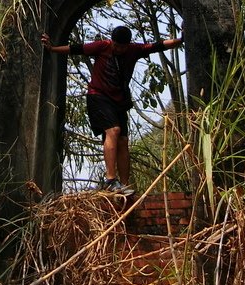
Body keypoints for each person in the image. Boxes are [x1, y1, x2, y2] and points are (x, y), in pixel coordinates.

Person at [41, 25, 183, 196]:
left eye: (121, 46)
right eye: (116, 45)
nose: (118, 49)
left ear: (127, 45)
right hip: (98, 96)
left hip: (120, 101)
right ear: (113, 42)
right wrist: (52, 48)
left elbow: (158, 45)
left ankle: (123, 185)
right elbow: (76, 48)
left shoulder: (134, 50)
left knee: (123, 141)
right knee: (113, 130)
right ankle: (110, 180)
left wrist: (181, 39)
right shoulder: (103, 46)